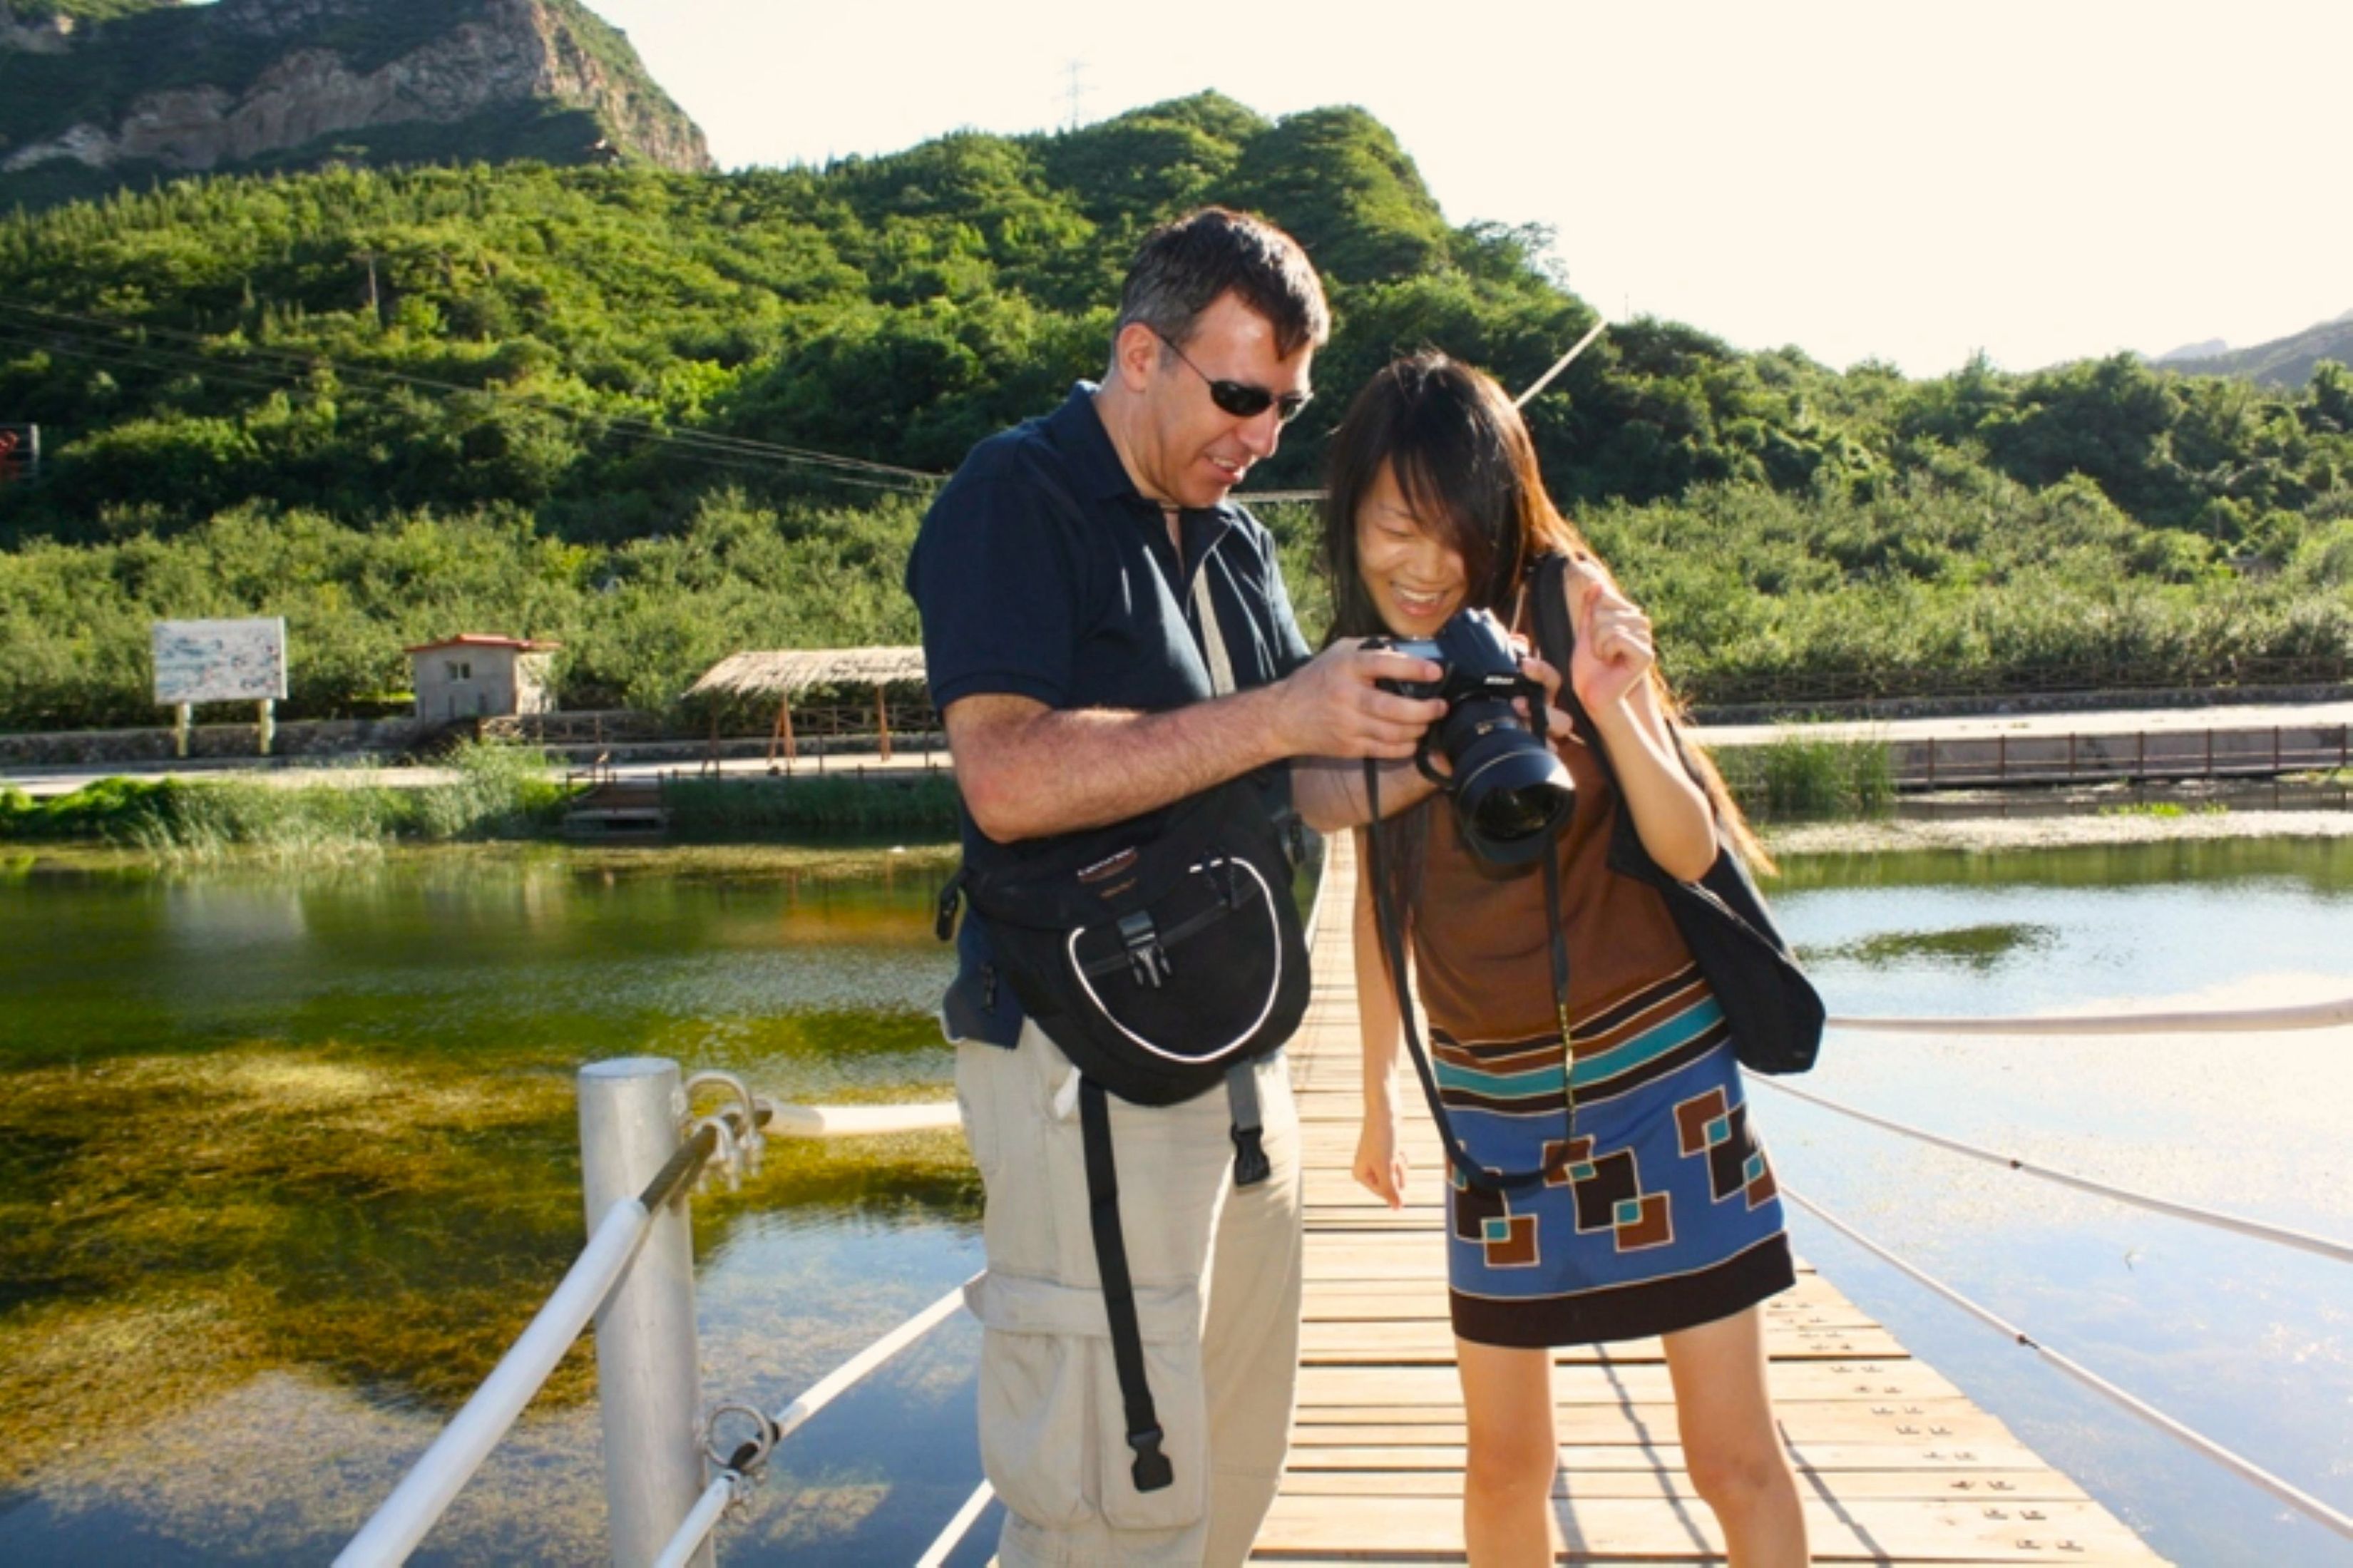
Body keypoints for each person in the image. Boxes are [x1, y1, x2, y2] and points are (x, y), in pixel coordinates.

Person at [904, 207, 1447, 1568]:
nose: (1263, 436)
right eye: (1242, 395)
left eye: (1287, 408)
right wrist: (1283, 715)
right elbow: (1008, 779)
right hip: (1083, 1079)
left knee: (1227, 1478)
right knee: (1106, 1498)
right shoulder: (1012, 495)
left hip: (1248, 1068)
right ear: (1141, 355)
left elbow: (1296, 791)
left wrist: (1426, 748)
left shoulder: (1235, 539)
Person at [1325, 353, 1811, 1567]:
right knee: (1504, 1464)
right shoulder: (1358, 663)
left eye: (1454, 529)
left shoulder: (1558, 601)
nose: (1426, 566)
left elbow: (1688, 844)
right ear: (1350, 519)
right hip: (1490, 1109)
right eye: (1395, 526)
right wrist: (1380, 1090)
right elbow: (1379, 898)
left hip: (1659, 1084)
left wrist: (1609, 703)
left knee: (1729, 1452)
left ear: (1501, 515)